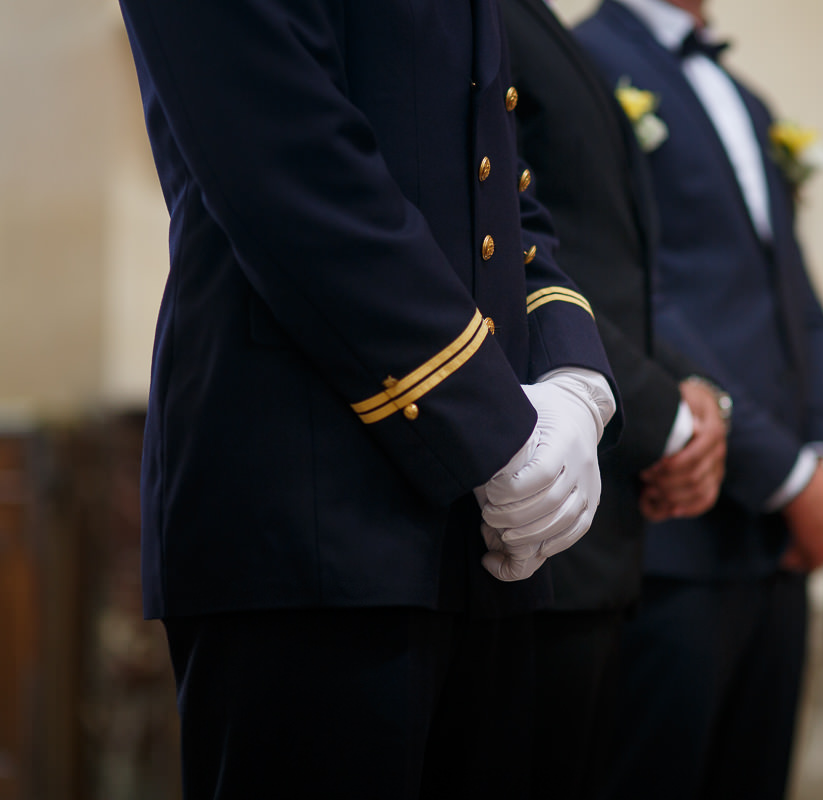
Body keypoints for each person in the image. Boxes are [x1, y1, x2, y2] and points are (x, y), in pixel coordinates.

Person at [115, 1, 620, 797]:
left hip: (474, 537)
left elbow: (499, 184)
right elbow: (288, 163)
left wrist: (572, 377)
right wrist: (493, 426)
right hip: (310, 513)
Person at [574, 1, 823, 798]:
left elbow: (796, 300)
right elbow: (627, 297)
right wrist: (790, 476)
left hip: (775, 549)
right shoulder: (585, 63)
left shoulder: (747, 99)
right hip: (671, 530)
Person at [498, 1, 728, 798]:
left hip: (602, 526)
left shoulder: (538, 25)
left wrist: (683, 400)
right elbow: (500, 250)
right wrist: (664, 415)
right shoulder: (492, 20)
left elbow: (597, 272)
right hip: (539, 504)